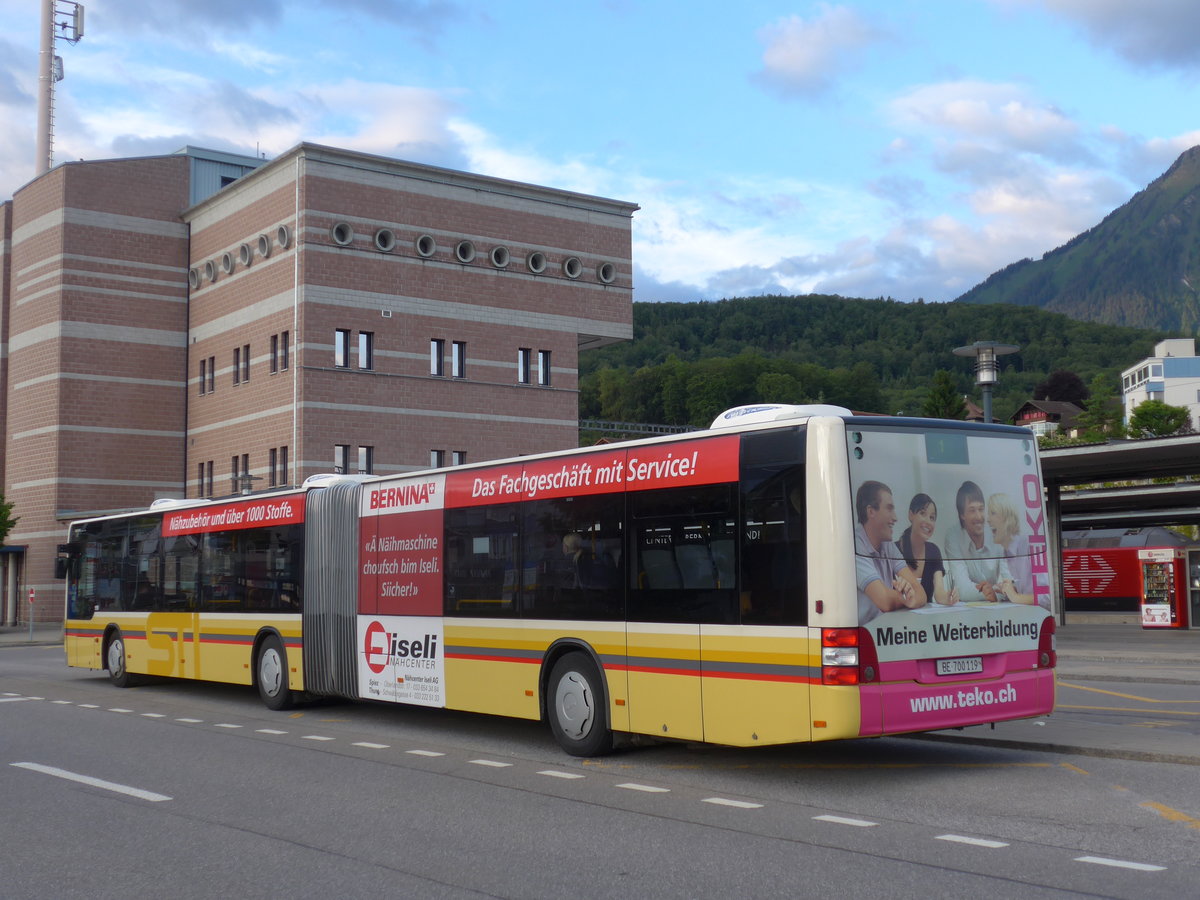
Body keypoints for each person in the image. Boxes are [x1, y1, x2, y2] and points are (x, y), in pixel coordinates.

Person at [854, 480, 927, 624]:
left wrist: (909, 596)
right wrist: (906, 596)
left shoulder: (888, 545)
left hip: (885, 632)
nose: (895, 518)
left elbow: (921, 594)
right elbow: (885, 601)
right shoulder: (855, 544)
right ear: (871, 512)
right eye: (889, 509)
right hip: (864, 635)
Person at [944, 481, 1014, 603]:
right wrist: (993, 591)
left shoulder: (997, 532)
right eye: (972, 510)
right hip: (967, 613)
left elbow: (1010, 583)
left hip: (997, 609)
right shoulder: (953, 536)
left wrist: (997, 594)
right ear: (962, 515)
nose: (979, 516)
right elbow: (963, 591)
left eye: (981, 509)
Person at [896, 493, 959, 606]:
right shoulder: (893, 550)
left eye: (932, 518)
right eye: (922, 513)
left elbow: (939, 592)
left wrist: (947, 597)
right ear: (911, 515)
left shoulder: (933, 551)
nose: (928, 521)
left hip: (926, 621)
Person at [987, 493, 1041, 605]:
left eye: (993, 513)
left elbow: (1047, 597)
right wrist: (1009, 589)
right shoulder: (1008, 552)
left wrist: (1016, 596)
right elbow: (1027, 590)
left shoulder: (1028, 546)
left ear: (1007, 517)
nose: (988, 519)